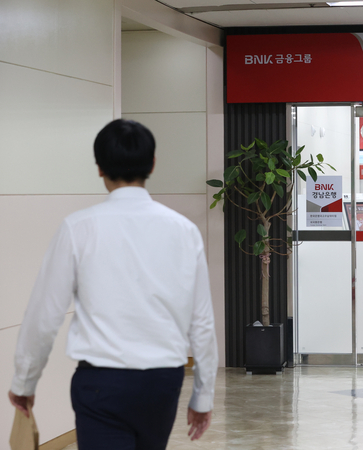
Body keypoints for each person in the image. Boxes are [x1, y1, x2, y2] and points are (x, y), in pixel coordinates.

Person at [8, 119, 218, 449]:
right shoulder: (184, 231)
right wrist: (203, 396)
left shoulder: (78, 228)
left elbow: (44, 316)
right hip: (162, 381)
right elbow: (201, 320)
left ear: (99, 168)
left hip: (100, 383)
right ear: (152, 164)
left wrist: (24, 382)